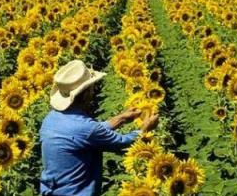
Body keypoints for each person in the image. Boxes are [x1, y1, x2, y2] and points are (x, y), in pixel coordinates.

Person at [40, 60, 159, 196]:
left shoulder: (50, 119)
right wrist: (145, 129)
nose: (93, 89)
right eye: (91, 87)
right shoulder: (86, 128)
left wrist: (121, 118)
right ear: (85, 93)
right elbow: (121, 142)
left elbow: (85, 134)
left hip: (51, 190)